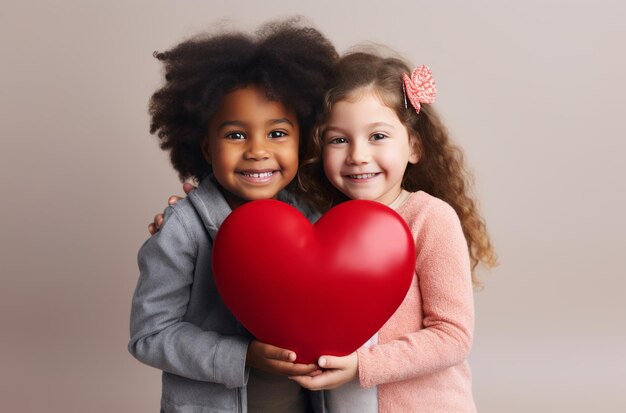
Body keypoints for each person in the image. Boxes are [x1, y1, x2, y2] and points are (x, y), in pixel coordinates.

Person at [128, 19, 337, 413]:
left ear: (301, 138)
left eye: (277, 133)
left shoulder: (314, 221)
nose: (257, 150)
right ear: (206, 148)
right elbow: (149, 335)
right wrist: (241, 356)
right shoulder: (182, 230)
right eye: (236, 134)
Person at [286, 50, 498, 412]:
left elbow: (453, 335)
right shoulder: (320, 228)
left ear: (414, 146)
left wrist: (363, 365)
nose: (357, 155)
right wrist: (190, 209)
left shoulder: (430, 219)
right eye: (339, 140)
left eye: (377, 136)